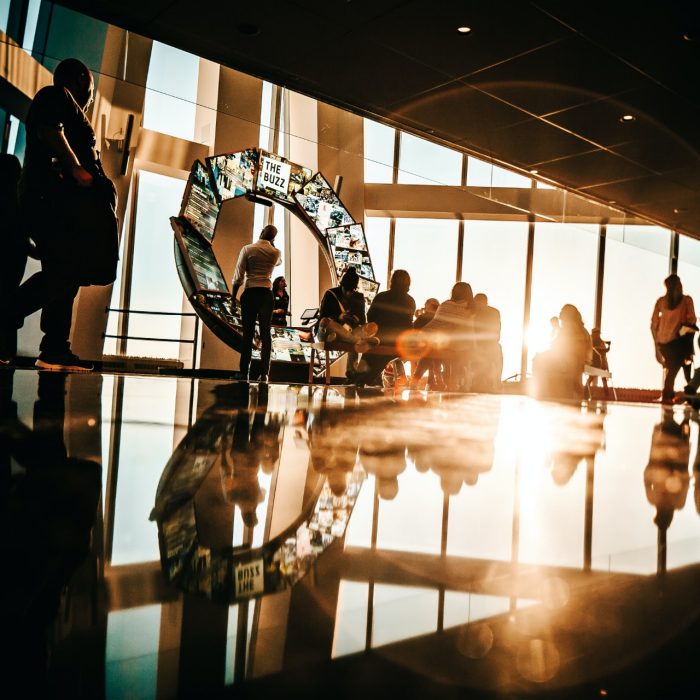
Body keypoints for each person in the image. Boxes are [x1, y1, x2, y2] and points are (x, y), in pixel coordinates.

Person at [16, 58, 114, 371]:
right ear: (82, 79)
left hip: (60, 207)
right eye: (92, 88)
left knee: (65, 275)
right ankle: (9, 312)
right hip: (52, 203)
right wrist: (77, 169)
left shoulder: (63, 105)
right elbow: (50, 129)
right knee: (65, 272)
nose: (92, 96)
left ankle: (54, 348)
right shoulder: (56, 96)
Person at [0, 155, 39, 364]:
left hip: (11, 256)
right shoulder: (17, 204)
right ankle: (6, 355)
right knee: (8, 301)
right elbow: (25, 241)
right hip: (14, 260)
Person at [231, 224, 282, 382]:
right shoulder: (275, 253)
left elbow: (238, 276)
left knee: (248, 334)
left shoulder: (247, 249)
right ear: (273, 238)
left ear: (261, 232)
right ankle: (264, 373)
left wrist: (233, 298)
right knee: (266, 334)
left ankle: (243, 371)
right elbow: (279, 262)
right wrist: (271, 243)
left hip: (251, 292)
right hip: (267, 295)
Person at [353, 269, 416, 385]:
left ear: (392, 281)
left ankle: (361, 379)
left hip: (380, 337)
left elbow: (370, 316)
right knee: (382, 358)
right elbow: (408, 324)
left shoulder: (381, 296)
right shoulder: (410, 301)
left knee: (371, 356)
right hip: (399, 340)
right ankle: (368, 378)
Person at [651, 274, 697, 404]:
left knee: (674, 366)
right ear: (679, 285)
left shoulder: (661, 302)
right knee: (680, 365)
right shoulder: (686, 300)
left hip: (662, 343)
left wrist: (656, 347)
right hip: (679, 342)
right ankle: (669, 394)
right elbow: (692, 321)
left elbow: (653, 325)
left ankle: (672, 394)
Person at [420, 282, 474, 391]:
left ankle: (417, 379)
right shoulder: (471, 309)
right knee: (453, 352)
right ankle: (452, 384)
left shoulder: (445, 305)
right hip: (463, 345)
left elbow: (436, 324)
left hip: (444, 343)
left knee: (429, 350)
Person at [532, 304, 593, 400]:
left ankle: (546, 393)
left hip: (574, 360)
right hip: (566, 358)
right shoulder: (566, 329)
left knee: (541, 360)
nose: (559, 313)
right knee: (538, 358)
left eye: (562, 310)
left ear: (569, 314)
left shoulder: (578, 330)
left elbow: (573, 350)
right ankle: (543, 392)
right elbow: (556, 345)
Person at [317, 268, 379, 353]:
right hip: (335, 328)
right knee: (325, 321)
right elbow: (322, 317)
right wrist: (338, 317)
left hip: (351, 330)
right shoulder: (330, 294)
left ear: (355, 289)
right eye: (346, 290)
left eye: (351, 291)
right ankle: (358, 341)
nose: (348, 293)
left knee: (373, 326)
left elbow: (362, 321)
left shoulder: (359, 297)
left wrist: (357, 320)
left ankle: (352, 339)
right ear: (341, 285)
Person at [471, 293, 503, 393]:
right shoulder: (495, 312)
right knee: (497, 353)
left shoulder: (472, 312)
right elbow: (497, 333)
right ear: (486, 302)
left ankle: (478, 382)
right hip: (492, 344)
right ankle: (497, 382)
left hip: (476, 344)